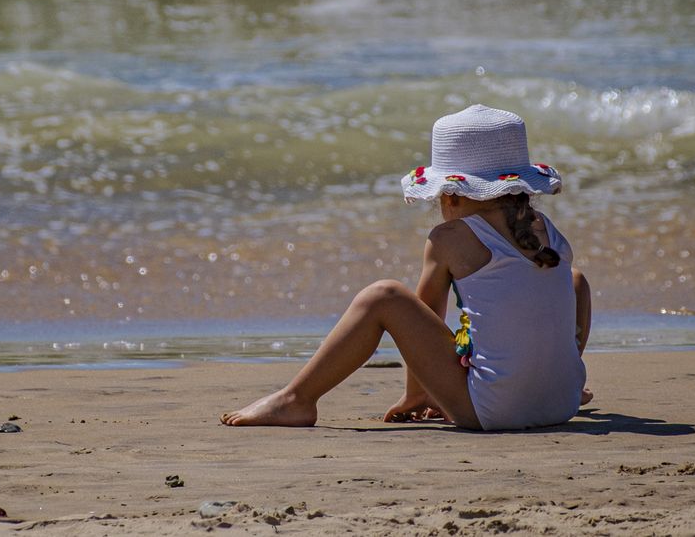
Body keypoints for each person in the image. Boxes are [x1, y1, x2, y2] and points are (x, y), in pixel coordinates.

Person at [222, 103, 591, 430]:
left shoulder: (449, 237)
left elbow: (426, 316)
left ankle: (295, 400)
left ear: (450, 194)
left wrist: (422, 394)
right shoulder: (547, 232)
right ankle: (558, 374)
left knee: (383, 297)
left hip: (493, 411)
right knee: (574, 280)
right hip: (562, 403)